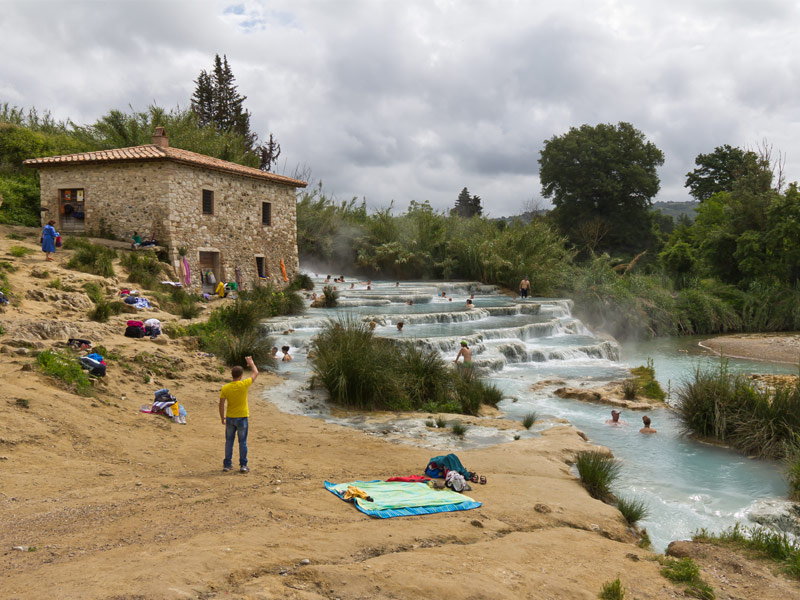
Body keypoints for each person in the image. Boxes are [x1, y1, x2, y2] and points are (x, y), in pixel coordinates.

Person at [219, 356, 258, 473]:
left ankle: (227, 464)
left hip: (230, 417)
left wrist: (222, 417)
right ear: (240, 376)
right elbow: (256, 372)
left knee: (229, 441)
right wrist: (251, 363)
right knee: (242, 442)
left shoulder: (225, 388)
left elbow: (221, 404)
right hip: (242, 417)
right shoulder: (244, 385)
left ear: (232, 375)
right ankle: (243, 465)